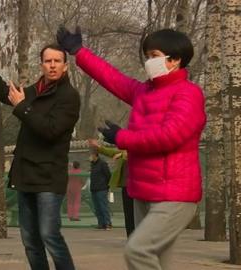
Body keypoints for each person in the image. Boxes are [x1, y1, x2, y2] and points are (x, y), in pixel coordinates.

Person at [57, 27, 206, 269]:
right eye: (147, 55)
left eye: (154, 55)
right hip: (143, 191)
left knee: (138, 251)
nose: (149, 61)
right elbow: (111, 77)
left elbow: (169, 136)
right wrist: (79, 52)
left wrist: (122, 138)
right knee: (159, 260)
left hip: (174, 195)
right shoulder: (143, 92)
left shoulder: (188, 94)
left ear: (175, 60)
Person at [0, 38, 80, 270]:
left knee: (49, 236)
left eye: (57, 61)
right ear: (41, 65)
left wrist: (22, 106)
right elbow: (7, 94)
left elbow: (50, 131)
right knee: (30, 241)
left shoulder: (69, 97)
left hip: (49, 177)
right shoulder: (33, 91)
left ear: (66, 66)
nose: (52, 65)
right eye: (47, 61)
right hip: (25, 175)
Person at [89, 139, 134, 237]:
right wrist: (99, 147)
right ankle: (130, 237)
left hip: (136, 186)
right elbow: (111, 152)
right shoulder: (123, 152)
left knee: (136, 214)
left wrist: (122, 155)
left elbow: (136, 154)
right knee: (128, 214)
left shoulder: (136, 151)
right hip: (125, 186)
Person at [88, 150, 112, 230]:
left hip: (102, 189)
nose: (89, 157)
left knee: (103, 206)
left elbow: (108, 175)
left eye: (91, 155)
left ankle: (108, 223)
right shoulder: (92, 165)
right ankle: (101, 224)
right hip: (94, 189)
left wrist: (107, 186)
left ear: (95, 155)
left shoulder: (102, 164)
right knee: (97, 208)